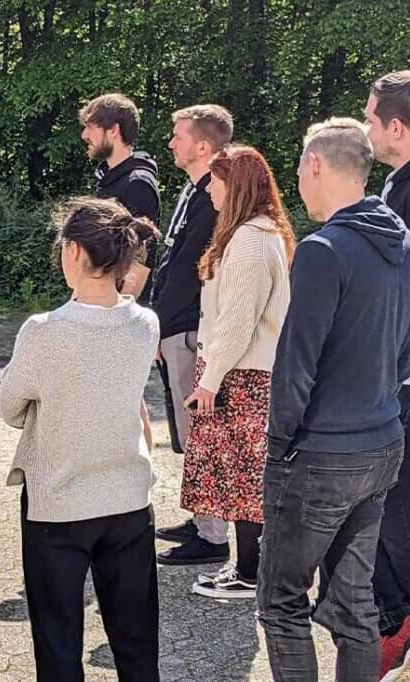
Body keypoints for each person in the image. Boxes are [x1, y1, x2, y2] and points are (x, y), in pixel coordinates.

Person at [258, 118, 410, 682]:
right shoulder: (408, 245)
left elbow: (294, 368)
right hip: (381, 443)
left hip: (321, 455)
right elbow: (406, 356)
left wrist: (279, 446)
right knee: (355, 606)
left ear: (314, 165)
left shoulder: (323, 250)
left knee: (282, 604)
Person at [0, 197, 161, 681]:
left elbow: (11, 408)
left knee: (59, 647)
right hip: (127, 497)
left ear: (72, 252)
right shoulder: (144, 324)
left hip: (59, 502)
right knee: (136, 645)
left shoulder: (44, 331)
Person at [170, 145, 294, 598]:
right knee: (240, 478)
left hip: (240, 377)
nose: (211, 190)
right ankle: (246, 569)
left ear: (236, 184)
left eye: (217, 181)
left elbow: (237, 322)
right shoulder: (257, 233)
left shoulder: (250, 240)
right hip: (239, 373)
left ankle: (248, 574)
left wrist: (209, 380)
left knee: (242, 479)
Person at [364, 69, 410, 682]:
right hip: (401, 377)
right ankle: (403, 629)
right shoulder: (401, 183)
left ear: (397, 127)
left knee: (407, 514)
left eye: (370, 115)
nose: (365, 125)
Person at [151, 104, 234, 561]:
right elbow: (169, 260)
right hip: (174, 325)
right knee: (187, 430)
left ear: (203, 146)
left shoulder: (214, 198)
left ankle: (213, 538)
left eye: (178, 136)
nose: (171, 143)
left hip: (188, 327)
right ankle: (202, 516)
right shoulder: (191, 191)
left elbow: (187, 271)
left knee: (201, 430)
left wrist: (158, 325)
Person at [79, 93, 161, 303]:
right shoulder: (108, 178)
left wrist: (117, 312)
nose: (84, 135)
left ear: (113, 131)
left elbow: (141, 260)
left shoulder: (137, 183)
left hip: (118, 313)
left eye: (90, 127)